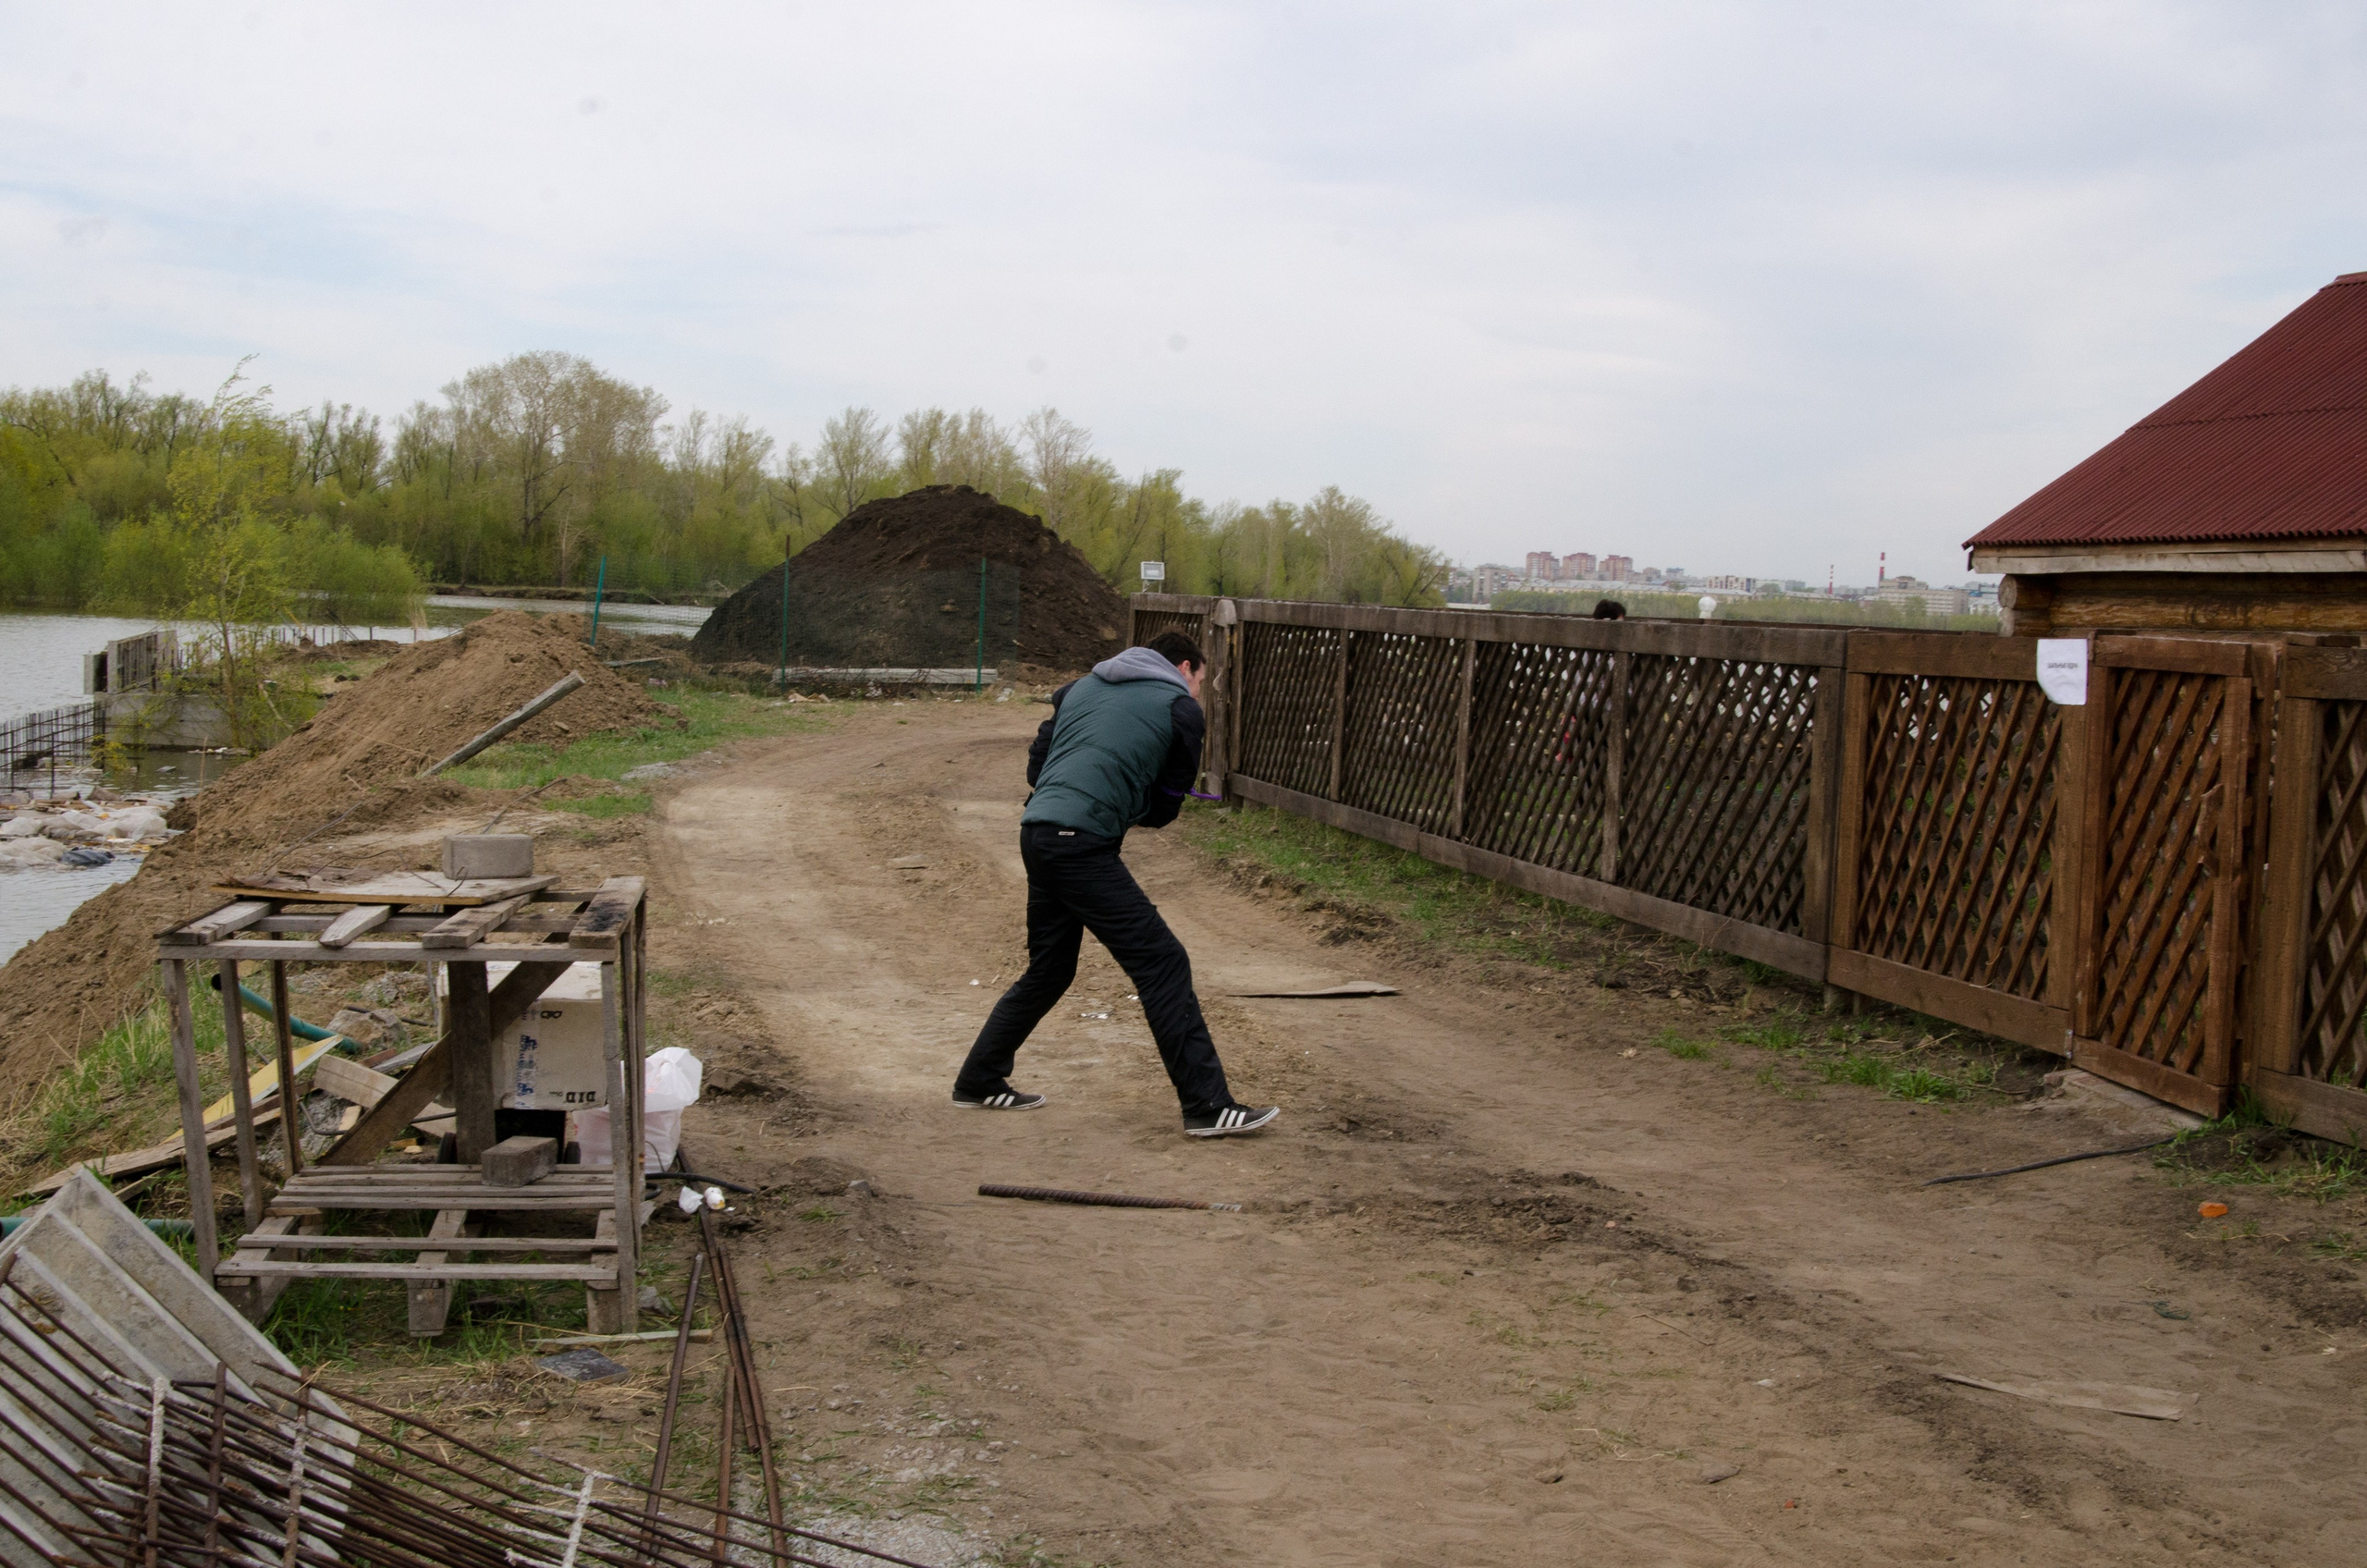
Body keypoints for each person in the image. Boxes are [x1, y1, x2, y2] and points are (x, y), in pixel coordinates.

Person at [952, 631, 1279, 1138]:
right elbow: (1167, 807)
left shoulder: (1077, 689)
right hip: (1081, 844)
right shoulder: (1179, 709)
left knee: (1051, 967)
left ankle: (978, 1079)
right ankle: (1207, 1106)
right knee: (1162, 962)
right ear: (1186, 667)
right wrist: (1126, 798)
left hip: (1038, 832)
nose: (1198, 691)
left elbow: (1039, 766)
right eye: (1200, 680)